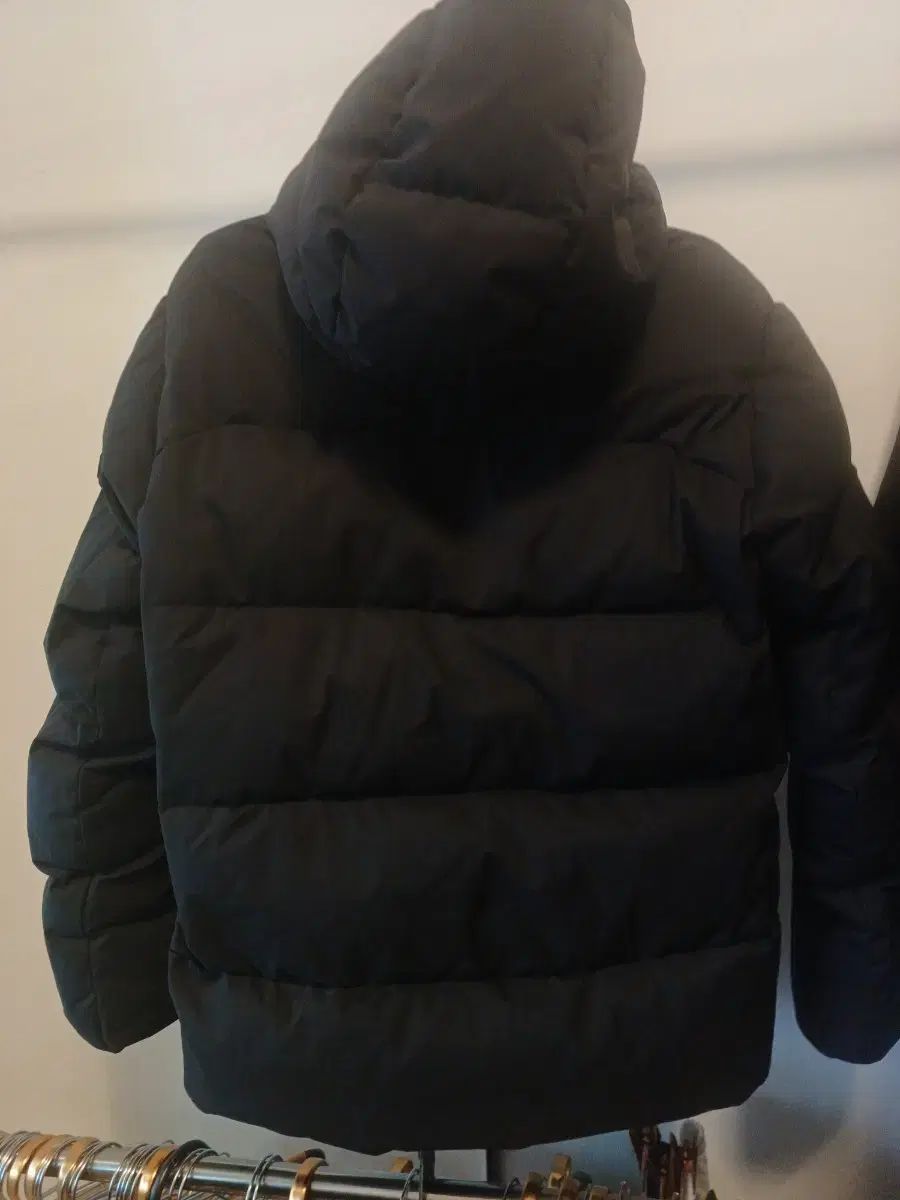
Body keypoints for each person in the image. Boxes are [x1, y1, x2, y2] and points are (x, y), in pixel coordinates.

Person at [28, 0, 900, 1153]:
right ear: (607, 120)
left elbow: (100, 665)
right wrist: (856, 995)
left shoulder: (214, 317)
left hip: (300, 1032)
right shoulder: (726, 335)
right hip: (642, 1036)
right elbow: (855, 690)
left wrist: (112, 970)